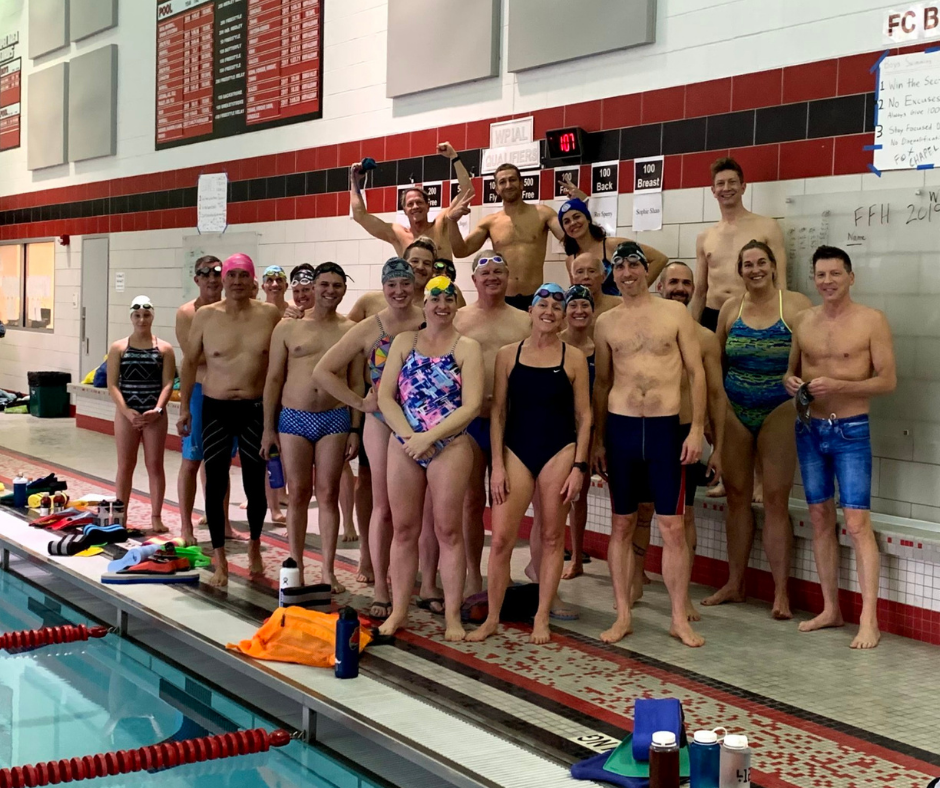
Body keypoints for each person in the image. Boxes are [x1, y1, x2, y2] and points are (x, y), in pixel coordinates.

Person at [593, 242, 706, 648]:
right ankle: (622, 614)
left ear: (647, 272)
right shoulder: (606, 323)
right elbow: (602, 383)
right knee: (621, 524)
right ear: (614, 274)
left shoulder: (674, 313)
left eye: (633, 266)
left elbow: (697, 373)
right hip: (622, 430)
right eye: (619, 267)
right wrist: (598, 441)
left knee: (673, 526)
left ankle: (679, 617)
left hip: (665, 430)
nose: (627, 273)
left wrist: (696, 432)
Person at [466, 283, 592, 645]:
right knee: (503, 538)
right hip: (515, 451)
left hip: (560, 450)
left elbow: (584, 416)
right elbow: (499, 413)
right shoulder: (509, 354)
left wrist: (579, 466)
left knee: (553, 536)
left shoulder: (574, 358)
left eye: (557, 306)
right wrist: (498, 466)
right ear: (531, 312)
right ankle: (491, 617)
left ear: (564, 314)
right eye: (543, 304)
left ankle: (541, 616)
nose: (550, 311)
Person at [785, 245, 896, 649]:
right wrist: (791, 384)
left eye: (835, 273)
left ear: (851, 277)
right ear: (813, 279)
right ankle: (831, 608)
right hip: (810, 428)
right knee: (818, 518)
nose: (827, 281)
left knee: (856, 523)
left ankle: (870, 619)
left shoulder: (871, 321)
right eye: (821, 275)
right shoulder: (803, 321)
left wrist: (842, 386)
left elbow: (887, 381)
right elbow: (790, 373)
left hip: (851, 429)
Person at [702, 241, 811, 618]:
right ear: (740, 270)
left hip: (779, 407)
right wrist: (710, 413)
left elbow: (810, 357)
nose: (754, 269)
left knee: (776, 501)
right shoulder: (731, 309)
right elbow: (714, 361)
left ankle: (781, 592)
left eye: (761, 262)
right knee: (736, 497)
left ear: (773, 266)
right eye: (747, 264)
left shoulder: (795, 305)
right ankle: (735, 582)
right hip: (735, 408)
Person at [313, 258, 425, 619]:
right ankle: (380, 586)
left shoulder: (429, 318)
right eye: (391, 285)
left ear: (414, 284)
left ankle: (426, 582)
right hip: (380, 421)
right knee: (383, 505)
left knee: (424, 509)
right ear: (382, 287)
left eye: (404, 283)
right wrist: (359, 403)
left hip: (425, 422)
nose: (398, 291)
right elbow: (323, 371)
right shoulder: (369, 327)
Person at [378, 276, 484, 639]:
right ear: (425, 304)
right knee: (404, 530)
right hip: (405, 445)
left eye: (449, 299)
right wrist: (410, 438)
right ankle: (398, 611)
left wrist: (429, 438)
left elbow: (471, 405)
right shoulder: (404, 342)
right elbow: (385, 398)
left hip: (450, 446)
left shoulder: (467, 347)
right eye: (435, 298)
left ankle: (452, 617)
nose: (442, 305)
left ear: (457, 305)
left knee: (448, 531)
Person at [629, 263, 727, 616]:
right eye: (674, 282)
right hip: (646, 429)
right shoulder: (645, 331)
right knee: (641, 512)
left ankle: (680, 595)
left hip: (684, 431)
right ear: (659, 285)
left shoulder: (704, 338)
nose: (680, 288)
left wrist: (718, 448)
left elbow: (716, 394)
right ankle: (636, 577)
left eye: (687, 283)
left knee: (683, 518)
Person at [177, 254, 281, 587]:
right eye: (231, 274)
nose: (236, 281)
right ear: (223, 280)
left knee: (255, 481)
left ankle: (254, 546)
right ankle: (220, 558)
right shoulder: (205, 316)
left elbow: (280, 363)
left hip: (254, 408)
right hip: (215, 408)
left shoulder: (269, 315)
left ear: (253, 281)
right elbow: (190, 362)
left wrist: (274, 416)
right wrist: (183, 409)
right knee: (216, 479)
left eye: (243, 275)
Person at [262, 263, 361, 591]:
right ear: (313, 287)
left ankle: (329, 570)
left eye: (337, 285)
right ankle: (296, 562)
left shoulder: (351, 329)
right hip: (293, 417)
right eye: (325, 284)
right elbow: (274, 378)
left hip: (335, 418)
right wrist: (267, 427)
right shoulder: (287, 328)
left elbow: (357, 381)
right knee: (299, 492)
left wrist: (356, 428)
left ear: (344, 289)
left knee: (329, 493)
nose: (330, 291)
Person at [453, 252, 531, 594]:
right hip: (469, 423)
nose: (492, 277)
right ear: (474, 281)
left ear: (508, 277)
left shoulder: (524, 321)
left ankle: (502, 573)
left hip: (512, 421)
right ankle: (473, 574)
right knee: (472, 501)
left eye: (499, 272)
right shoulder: (457, 319)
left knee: (505, 501)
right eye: (485, 273)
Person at [446, 163, 565, 309]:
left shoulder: (544, 214)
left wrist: (580, 206)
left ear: (521, 184)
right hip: (503, 298)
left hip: (535, 298)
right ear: (496, 189)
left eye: (512, 180)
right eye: (502, 182)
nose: (508, 185)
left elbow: (570, 241)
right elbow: (460, 251)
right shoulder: (490, 222)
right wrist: (452, 221)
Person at [692, 158, 787, 332]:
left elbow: (780, 283)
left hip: (752, 314)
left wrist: (781, 321)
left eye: (732, 182)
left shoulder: (767, 226)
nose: (726, 188)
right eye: (720, 183)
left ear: (743, 187)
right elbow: (700, 291)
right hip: (712, 314)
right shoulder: (705, 236)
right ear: (713, 191)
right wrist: (691, 328)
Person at [107, 296, 176, 533]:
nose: (142, 320)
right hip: (128, 413)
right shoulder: (119, 348)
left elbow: (168, 383)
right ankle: (121, 515)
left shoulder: (164, 348)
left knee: (155, 465)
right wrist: (126, 412)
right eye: (137, 316)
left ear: (152, 316)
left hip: (154, 414)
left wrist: (157, 409)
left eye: (146, 315)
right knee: (125, 465)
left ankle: (156, 516)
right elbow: (112, 385)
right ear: (131, 318)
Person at [175, 256, 230, 545]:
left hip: (226, 393)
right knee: (192, 459)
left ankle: (224, 522)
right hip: (199, 393)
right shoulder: (187, 313)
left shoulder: (230, 310)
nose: (212, 279)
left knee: (220, 463)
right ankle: (186, 527)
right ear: (196, 279)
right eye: (205, 274)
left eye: (217, 273)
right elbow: (194, 358)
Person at [349, 142, 473, 259]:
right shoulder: (398, 235)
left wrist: (454, 156)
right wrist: (354, 181)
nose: (415, 206)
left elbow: (468, 191)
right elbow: (360, 215)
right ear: (405, 210)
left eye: (419, 202)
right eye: (410, 204)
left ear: (428, 206)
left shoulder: (441, 225)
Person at [558, 285, 596, 580]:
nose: (580, 311)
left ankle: (578, 555)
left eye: (585, 306)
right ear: (565, 312)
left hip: (594, 430)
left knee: (580, 497)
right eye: (574, 306)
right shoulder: (556, 345)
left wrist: (600, 441)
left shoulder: (600, 349)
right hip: (561, 431)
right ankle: (566, 556)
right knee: (566, 497)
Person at [558, 197, 668, 295]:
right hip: (594, 314)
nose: (572, 223)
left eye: (577, 217)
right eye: (566, 221)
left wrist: (637, 291)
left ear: (588, 219)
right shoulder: (571, 260)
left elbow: (659, 259)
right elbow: (578, 293)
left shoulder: (612, 245)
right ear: (564, 228)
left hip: (620, 311)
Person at [346, 237, 436, 321]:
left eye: (427, 263)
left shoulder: (434, 308)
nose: (420, 267)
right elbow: (343, 331)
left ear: (433, 271)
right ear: (403, 264)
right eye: (415, 261)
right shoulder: (369, 301)